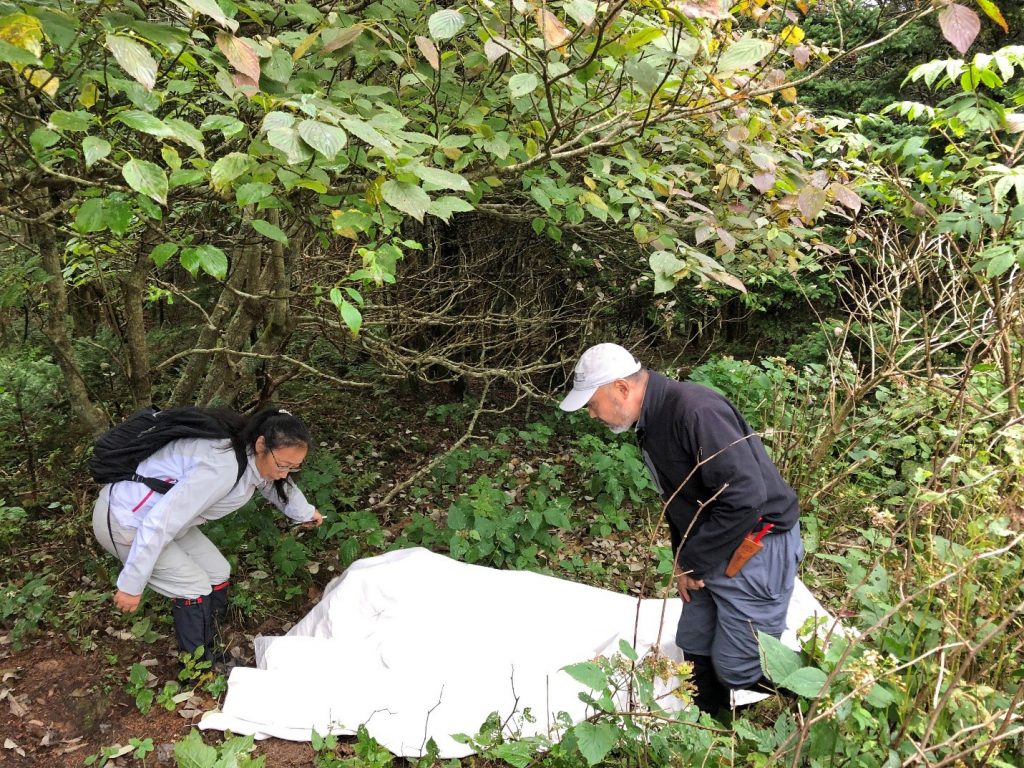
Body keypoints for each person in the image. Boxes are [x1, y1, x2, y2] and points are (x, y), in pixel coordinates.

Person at [559, 343, 803, 715]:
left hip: (755, 544)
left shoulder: (695, 411)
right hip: (713, 546)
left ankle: (829, 689)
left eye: (592, 404)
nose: (592, 415)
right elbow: (684, 500)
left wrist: (692, 562)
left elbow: (745, 497)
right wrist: (685, 562)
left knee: (740, 667)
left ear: (621, 388)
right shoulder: (652, 421)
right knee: (695, 647)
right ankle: (712, 734)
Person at [92, 407, 323, 661]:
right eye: (282, 465)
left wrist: (305, 512)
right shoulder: (221, 467)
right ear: (261, 445)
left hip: (171, 522)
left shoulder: (250, 456)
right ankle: (197, 666)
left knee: (217, 572)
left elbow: (272, 482)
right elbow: (159, 522)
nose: (284, 473)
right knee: (194, 587)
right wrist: (131, 585)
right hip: (126, 520)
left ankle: (209, 644)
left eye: (293, 467)